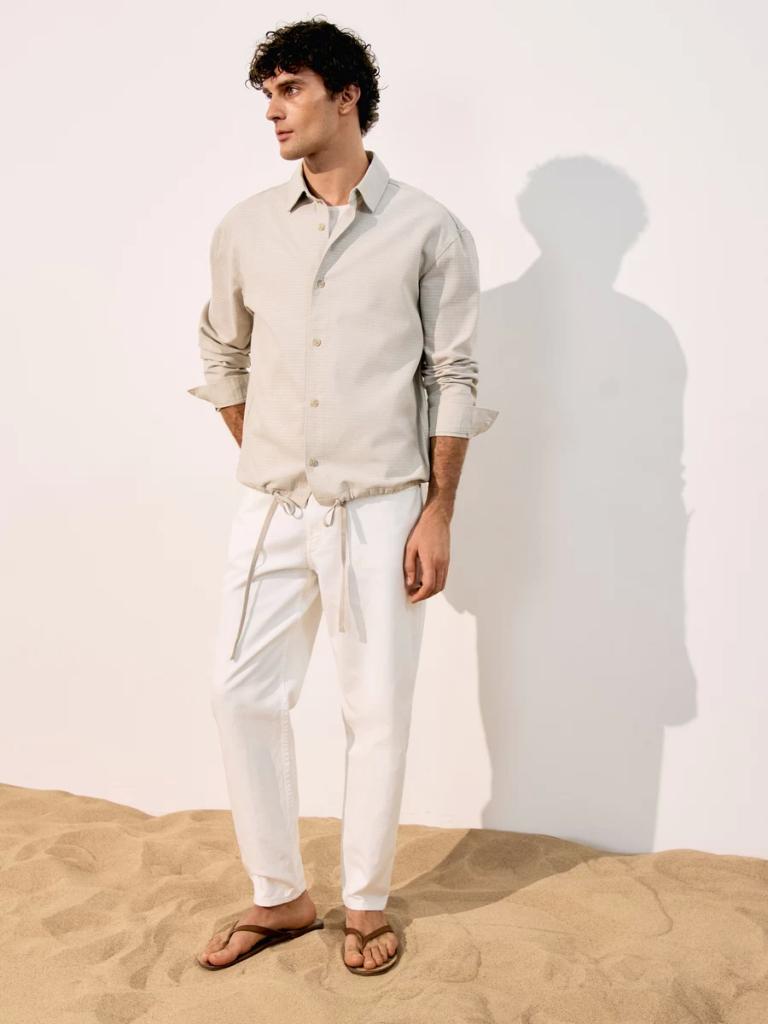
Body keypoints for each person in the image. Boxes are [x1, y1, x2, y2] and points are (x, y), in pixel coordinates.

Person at [190, 17, 498, 976]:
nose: (273, 112)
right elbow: (223, 352)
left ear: (347, 96)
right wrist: (271, 448)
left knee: (377, 711)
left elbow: (452, 374)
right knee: (239, 692)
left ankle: (364, 902)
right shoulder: (245, 228)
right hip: (276, 503)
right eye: (267, 94)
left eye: (290, 89)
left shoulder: (429, 229)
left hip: (384, 505)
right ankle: (280, 894)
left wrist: (438, 510)